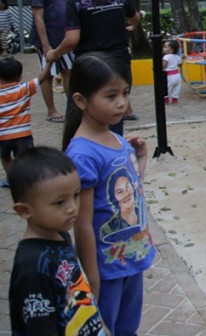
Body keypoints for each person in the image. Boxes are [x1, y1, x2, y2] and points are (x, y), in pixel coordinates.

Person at [63, 52, 154, 336]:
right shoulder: (83, 155)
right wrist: (92, 278)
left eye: (125, 93)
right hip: (107, 268)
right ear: (81, 101)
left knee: (128, 328)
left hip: (132, 257)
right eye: (111, 95)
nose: (122, 102)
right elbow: (82, 224)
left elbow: (127, 194)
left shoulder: (116, 139)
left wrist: (140, 159)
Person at [7, 146, 107, 335]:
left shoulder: (61, 234)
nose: (72, 208)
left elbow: (81, 294)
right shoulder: (32, 267)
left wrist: (100, 325)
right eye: (60, 202)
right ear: (24, 210)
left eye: (76, 195)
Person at [47, 0, 140, 136]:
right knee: (114, 113)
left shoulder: (75, 4)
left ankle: (76, 149)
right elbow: (135, 17)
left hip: (88, 66)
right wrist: (132, 25)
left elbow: (72, 40)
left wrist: (54, 53)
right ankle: (113, 150)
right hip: (118, 63)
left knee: (78, 114)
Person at [28, 0, 73, 122]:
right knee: (48, 73)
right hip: (48, 38)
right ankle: (52, 111)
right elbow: (38, 17)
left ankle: (72, 108)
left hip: (61, 36)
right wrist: (45, 44)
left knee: (68, 70)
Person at [0, 56, 53, 188]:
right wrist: (49, 63)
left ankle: (11, 179)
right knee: (26, 159)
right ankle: (28, 180)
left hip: (2, 136)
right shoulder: (24, 89)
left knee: (5, 157)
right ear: (20, 77)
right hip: (22, 135)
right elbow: (41, 78)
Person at [162, 40, 183, 104]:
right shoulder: (177, 57)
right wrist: (182, 58)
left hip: (169, 76)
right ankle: (175, 99)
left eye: (165, 47)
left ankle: (166, 99)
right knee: (177, 87)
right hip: (177, 75)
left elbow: (164, 66)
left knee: (167, 88)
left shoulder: (166, 57)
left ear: (171, 50)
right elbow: (180, 65)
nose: (163, 48)